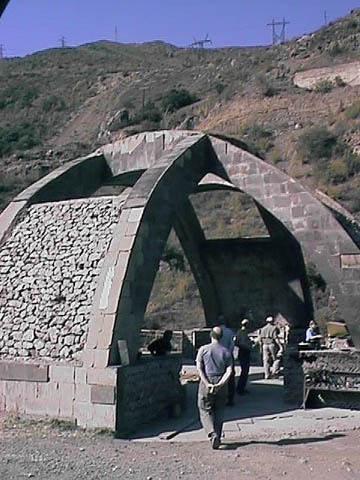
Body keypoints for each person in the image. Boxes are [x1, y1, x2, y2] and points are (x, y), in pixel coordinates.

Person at [196, 326, 232, 449]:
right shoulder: (226, 351)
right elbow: (229, 370)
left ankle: (212, 433)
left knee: (205, 409)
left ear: (211, 335)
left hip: (207, 380)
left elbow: (200, 368)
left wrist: (207, 383)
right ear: (221, 337)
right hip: (220, 380)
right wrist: (221, 383)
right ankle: (218, 435)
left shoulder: (203, 349)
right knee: (219, 409)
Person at [218, 316, 236, 405]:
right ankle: (230, 398)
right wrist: (229, 353)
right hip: (228, 354)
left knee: (219, 375)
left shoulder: (215, 331)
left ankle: (219, 397)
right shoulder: (229, 332)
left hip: (217, 355)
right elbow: (232, 344)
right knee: (230, 377)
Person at [234, 318, 254, 395]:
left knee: (245, 371)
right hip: (244, 352)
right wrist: (246, 345)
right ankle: (240, 388)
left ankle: (241, 387)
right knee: (245, 371)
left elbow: (236, 342)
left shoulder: (240, 332)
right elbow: (238, 343)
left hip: (243, 351)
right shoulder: (242, 332)